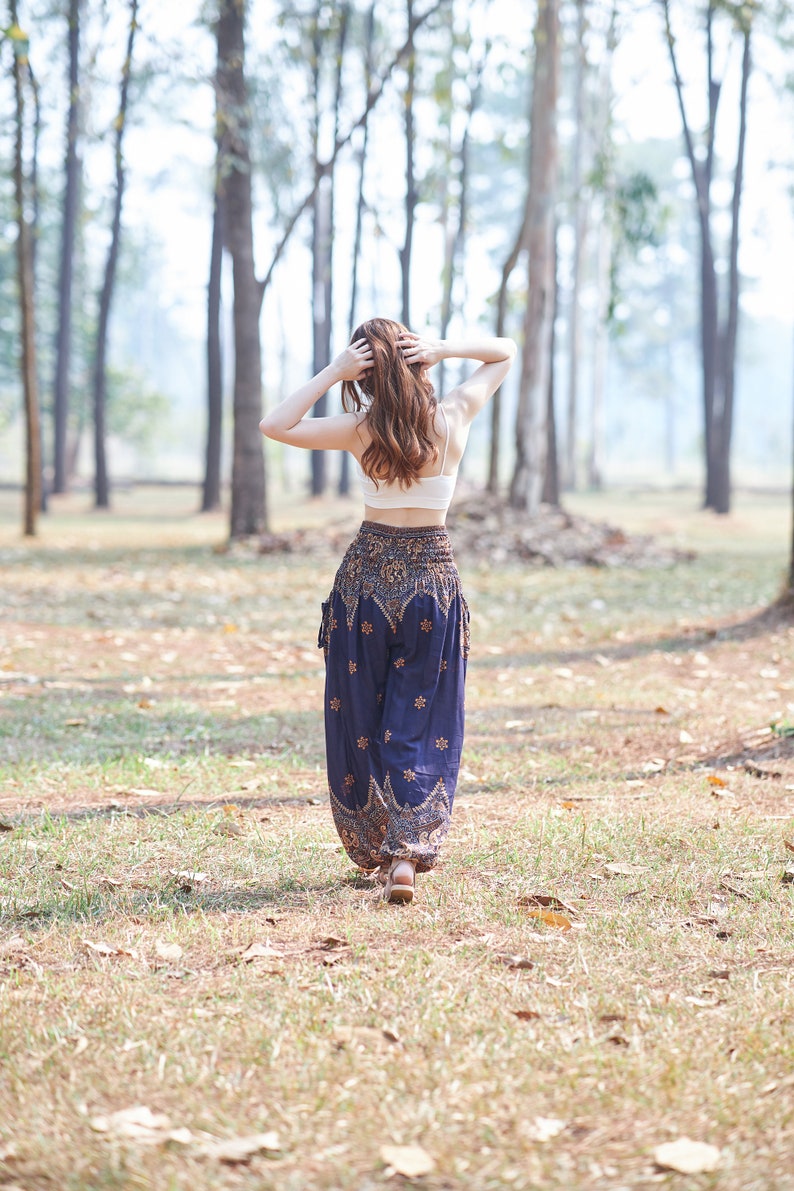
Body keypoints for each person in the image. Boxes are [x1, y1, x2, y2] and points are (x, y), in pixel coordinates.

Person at [260, 319, 516, 903]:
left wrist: (333, 372)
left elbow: (274, 424)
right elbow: (506, 352)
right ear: (419, 364)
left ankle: (381, 847)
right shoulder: (452, 417)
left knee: (361, 714)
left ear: (365, 375)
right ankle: (404, 855)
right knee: (419, 718)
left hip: (365, 581)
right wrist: (445, 347)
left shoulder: (358, 428)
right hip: (432, 579)